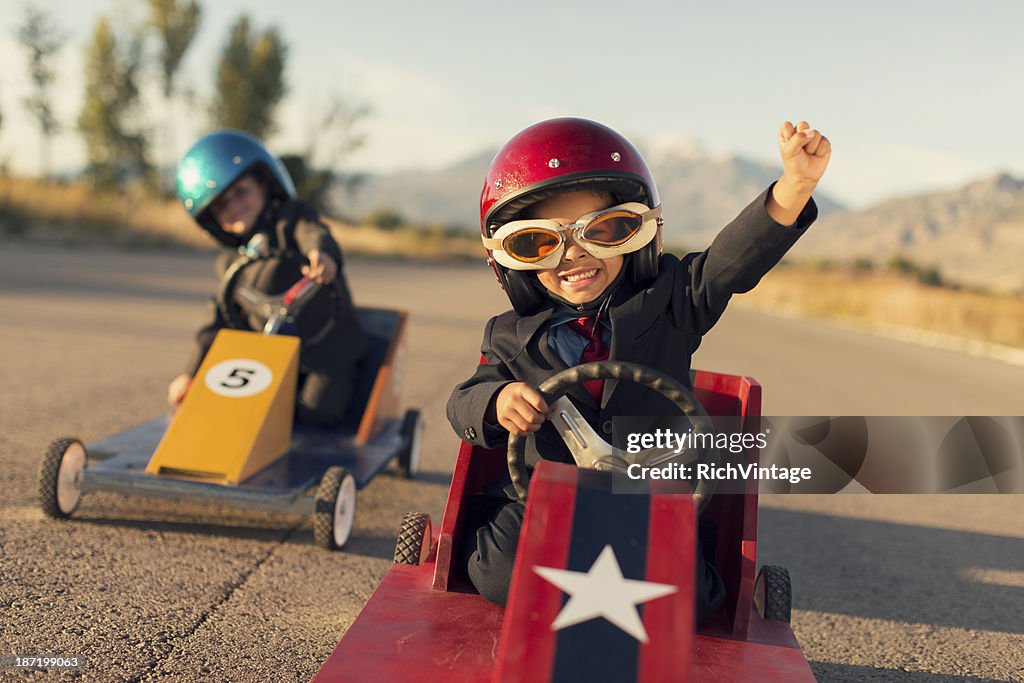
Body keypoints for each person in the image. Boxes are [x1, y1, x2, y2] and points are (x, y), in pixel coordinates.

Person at [446, 117, 829, 620]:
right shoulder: (507, 334)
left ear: (640, 231)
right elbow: (465, 401)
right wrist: (498, 402)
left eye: (603, 231)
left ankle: (660, 585)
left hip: (650, 505)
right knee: (497, 573)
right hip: (542, 504)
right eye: (540, 243)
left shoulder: (669, 300)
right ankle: (576, 600)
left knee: (689, 602)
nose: (574, 255)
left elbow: (728, 266)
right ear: (509, 259)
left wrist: (794, 187)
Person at [167, 129, 368, 426]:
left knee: (316, 412)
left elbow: (313, 232)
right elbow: (215, 319)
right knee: (228, 408)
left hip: (324, 352)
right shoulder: (232, 265)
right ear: (212, 220)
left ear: (264, 183)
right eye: (221, 204)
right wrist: (190, 372)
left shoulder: (293, 220)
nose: (234, 205)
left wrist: (321, 254)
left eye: (241, 192)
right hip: (263, 360)